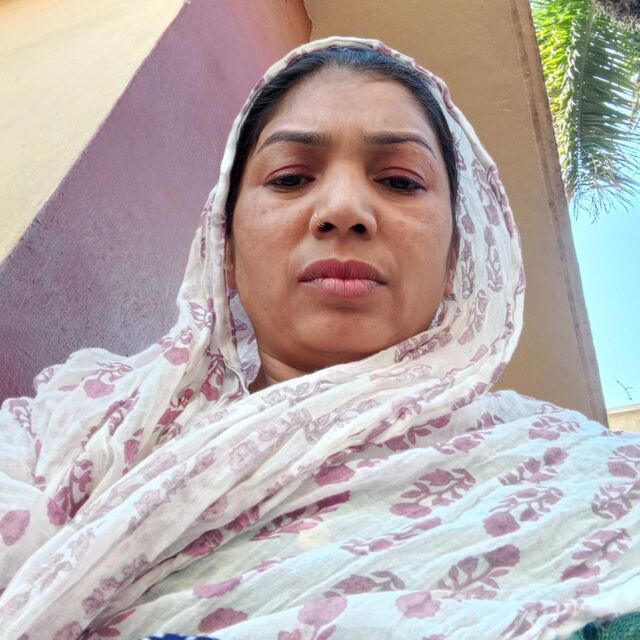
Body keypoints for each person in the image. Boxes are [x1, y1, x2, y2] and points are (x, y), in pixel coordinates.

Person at [0, 36, 638, 640]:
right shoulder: (67, 425)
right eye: (289, 178)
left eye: (400, 181)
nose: (343, 210)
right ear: (224, 244)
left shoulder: (589, 486)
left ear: (456, 260)